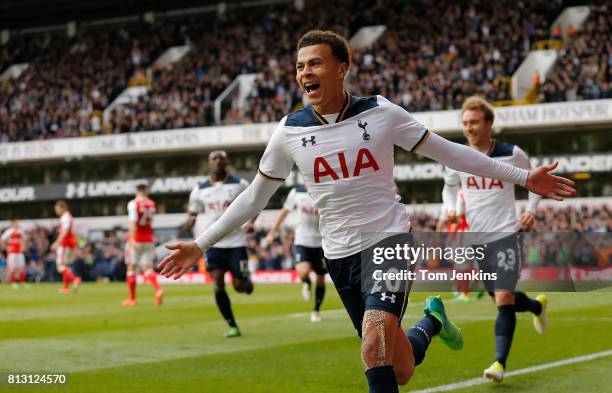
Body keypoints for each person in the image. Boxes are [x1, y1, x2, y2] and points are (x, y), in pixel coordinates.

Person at [158, 31, 575, 392]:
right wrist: (200, 244)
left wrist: (523, 179)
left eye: (315, 63)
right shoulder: (289, 132)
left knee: (373, 346)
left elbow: (453, 154)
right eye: (300, 66)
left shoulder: (381, 113)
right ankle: (432, 322)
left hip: (388, 240)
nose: (305, 73)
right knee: (399, 367)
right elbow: (253, 197)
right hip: (338, 254)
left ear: (342, 68)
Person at [442, 95, 549, 383]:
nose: (469, 128)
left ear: (489, 123)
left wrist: (530, 211)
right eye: (465, 123)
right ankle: (537, 307)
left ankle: (499, 363)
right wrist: (450, 208)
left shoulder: (511, 153)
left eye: (475, 122)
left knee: (503, 298)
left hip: (507, 234)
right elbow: (449, 189)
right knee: (505, 299)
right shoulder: (456, 157)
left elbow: (535, 182)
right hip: (478, 239)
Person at [188, 150, 255, 338]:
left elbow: (254, 203)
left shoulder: (239, 184)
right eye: (214, 159)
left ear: (226, 162)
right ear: (209, 164)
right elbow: (193, 210)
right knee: (217, 284)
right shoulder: (199, 189)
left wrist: (250, 223)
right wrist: (190, 220)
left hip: (236, 242)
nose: (217, 162)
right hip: (213, 242)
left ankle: (247, 283)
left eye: (221, 159)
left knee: (239, 286)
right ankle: (232, 325)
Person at [266, 185, 326, 322]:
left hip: (321, 242)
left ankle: (316, 310)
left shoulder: (324, 189)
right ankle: (306, 282)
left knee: (321, 278)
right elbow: (284, 212)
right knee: (303, 272)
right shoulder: (297, 192)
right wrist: (272, 232)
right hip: (302, 240)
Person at [123, 183, 163, 306]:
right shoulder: (151, 204)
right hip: (149, 239)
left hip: (137, 239)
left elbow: (133, 222)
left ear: (137, 191)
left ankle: (132, 299)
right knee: (147, 268)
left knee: (131, 267)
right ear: (145, 191)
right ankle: (157, 289)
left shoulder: (133, 203)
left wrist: (132, 238)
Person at [51, 200, 81, 293]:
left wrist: (56, 242)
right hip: (70, 244)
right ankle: (65, 288)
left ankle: (75, 279)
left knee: (60, 266)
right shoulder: (68, 217)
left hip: (65, 244)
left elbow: (65, 231)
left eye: (58, 209)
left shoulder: (65, 218)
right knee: (66, 266)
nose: (57, 211)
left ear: (63, 208)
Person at [1, 220, 27, 288]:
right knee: (12, 268)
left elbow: (25, 239)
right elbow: (2, 240)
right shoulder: (9, 231)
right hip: (12, 253)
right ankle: (13, 283)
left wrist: (24, 246)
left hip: (20, 252)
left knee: (21, 267)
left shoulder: (21, 231)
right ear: (12, 224)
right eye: (15, 223)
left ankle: (22, 282)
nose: (16, 224)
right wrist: (6, 248)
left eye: (17, 223)